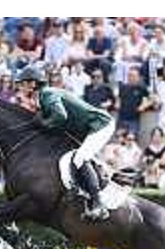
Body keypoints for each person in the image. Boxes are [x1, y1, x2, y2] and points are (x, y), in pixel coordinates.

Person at [15, 65, 115, 221]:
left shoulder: (47, 93)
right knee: (73, 156)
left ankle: (98, 203)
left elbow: (60, 116)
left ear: (33, 84)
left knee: (79, 158)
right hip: (87, 128)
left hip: (101, 124)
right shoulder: (43, 97)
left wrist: (43, 123)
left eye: (23, 83)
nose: (20, 87)